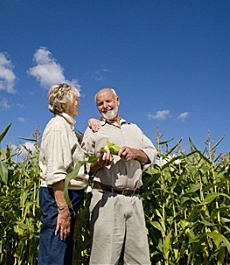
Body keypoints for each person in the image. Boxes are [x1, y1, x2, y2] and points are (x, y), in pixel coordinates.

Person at [82, 88, 157, 265]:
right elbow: (83, 166)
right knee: (104, 259)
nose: (105, 106)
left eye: (108, 101)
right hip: (107, 199)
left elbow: (151, 153)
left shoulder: (135, 129)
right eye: (100, 104)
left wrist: (136, 153)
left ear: (118, 101)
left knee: (139, 259)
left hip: (134, 200)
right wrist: (100, 163)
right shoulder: (94, 130)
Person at [38, 83, 89, 265]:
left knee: (62, 252)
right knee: (54, 254)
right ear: (66, 102)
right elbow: (56, 171)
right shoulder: (58, 127)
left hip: (67, 196)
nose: (79, 103)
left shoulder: (68, 128)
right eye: (76, 99)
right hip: (59, 196)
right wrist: (62, 209)